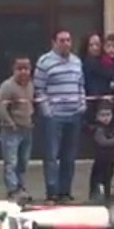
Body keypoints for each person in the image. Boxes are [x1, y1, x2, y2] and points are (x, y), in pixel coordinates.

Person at [34, 29, 86, 204]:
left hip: (74, 114)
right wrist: (46, 110)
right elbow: (39, 88)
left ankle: (65, 191)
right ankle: (52, 192)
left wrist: (82, 104)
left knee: (69, 156)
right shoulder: (45, 62)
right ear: (54, 42)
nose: (66, 44)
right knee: (51, 155)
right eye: (62, 40)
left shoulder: (77, 61)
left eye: (68, 40)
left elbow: (81, 85)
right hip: (54, 116)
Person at [0, 55, 35, 202]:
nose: (23, 72)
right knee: (11, 162)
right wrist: (10, 123)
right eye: (20, 69)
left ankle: (21, 187)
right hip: (11, 131)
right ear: (14, 69)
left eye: (26, 68)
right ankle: (12, 190)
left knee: (23, 162)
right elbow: (0, 108)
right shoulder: (7, 86)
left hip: (27, 129)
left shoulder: (31, 85)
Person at [88, 103, 114, 201]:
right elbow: (103, 142)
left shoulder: (111, 127)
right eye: (102, 115)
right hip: (101, 159)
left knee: (108, 177)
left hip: (111, 159)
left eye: (108, 115)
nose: (106, 118)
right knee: (99, 178)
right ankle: (97, 194)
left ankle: (107, 193)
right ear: (97, 116)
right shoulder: (98, 129)